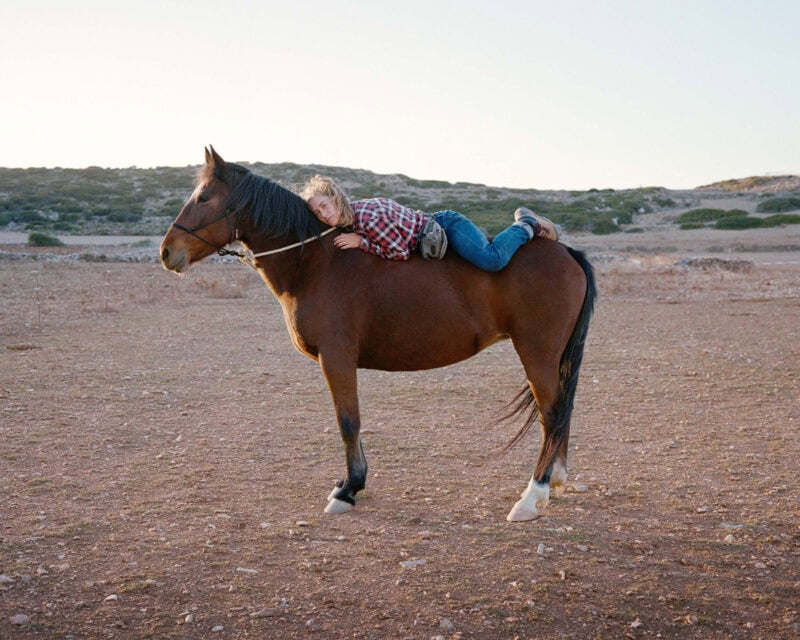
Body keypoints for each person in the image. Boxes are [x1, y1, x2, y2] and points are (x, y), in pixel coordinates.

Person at [300, 175, 559, 272]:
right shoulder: (349, 220)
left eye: (324, 206)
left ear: (336, 199)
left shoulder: (366, 218)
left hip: (446, 226)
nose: (322, 214)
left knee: (492, 260)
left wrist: (361, 243)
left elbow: (399, 252)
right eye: (317, 212)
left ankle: (526, 224)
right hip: (427, 232)